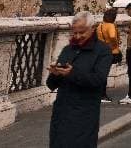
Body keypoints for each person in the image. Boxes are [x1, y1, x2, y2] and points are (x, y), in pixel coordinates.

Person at [47, 12, 113, 148]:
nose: (77, 37)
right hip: (61, 115)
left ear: (92, 28)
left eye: (81, 32)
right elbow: (51, 85)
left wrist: (72, 74)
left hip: (84, 116)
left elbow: (98, 80)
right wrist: (55, 74)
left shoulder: (103, 51)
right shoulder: (67, 49)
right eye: (74, 33)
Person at [95, 8, 122, 103]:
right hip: (110, 52)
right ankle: (102, 95)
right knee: (104, 74)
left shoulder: (100, 25)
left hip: (100, 52)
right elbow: (112, 36)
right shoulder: (111, 26)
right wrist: (114, 44)